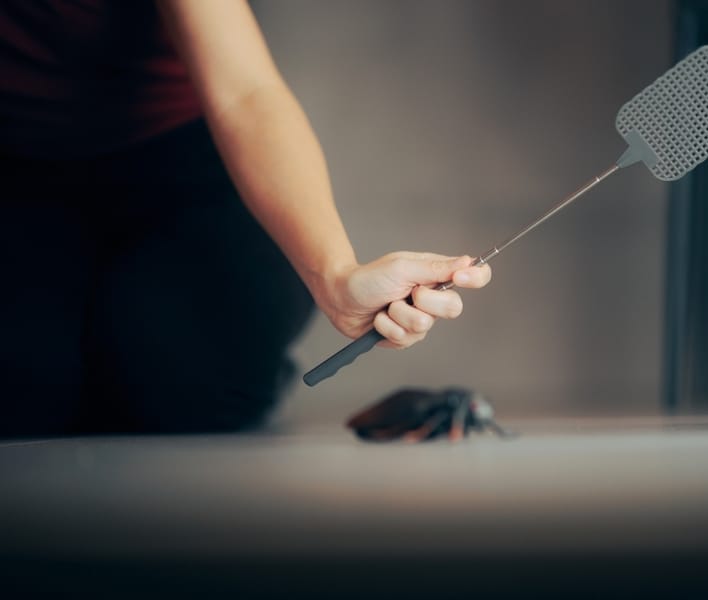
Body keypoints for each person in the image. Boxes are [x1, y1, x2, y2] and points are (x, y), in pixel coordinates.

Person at [0, 0, 491, 436]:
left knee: (191, 392)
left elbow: (245, 92)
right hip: (16, 177)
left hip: (183, 158)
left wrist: (337, 277)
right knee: (27, 397)